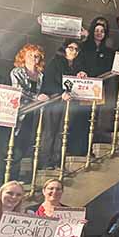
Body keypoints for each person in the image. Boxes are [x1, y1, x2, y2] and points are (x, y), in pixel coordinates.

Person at [38, 39, 88, 167]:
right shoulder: (55, 62)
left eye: (77, 49)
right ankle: (45, 162)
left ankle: (57, 160)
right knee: (50, 131)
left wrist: (83, 74)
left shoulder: (79, 64)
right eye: (71, 48)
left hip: (70, 102)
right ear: (65, 49)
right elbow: (48, 82)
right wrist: (61, 92)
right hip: (55, 100)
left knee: (63, 131)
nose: (74, 51)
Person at [8, 44, 45, 179]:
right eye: (30, 55)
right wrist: (36, 98)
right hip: (19, 113)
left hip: (33, 114)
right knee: (14, 146)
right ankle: (11, 177)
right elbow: (19, 91)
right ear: (23, 56)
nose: (33, 58)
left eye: (36, 56)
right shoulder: (17, 72)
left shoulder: (40, 75)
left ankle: (17, 177)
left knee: (26, 144)